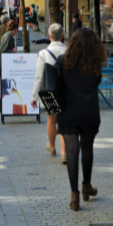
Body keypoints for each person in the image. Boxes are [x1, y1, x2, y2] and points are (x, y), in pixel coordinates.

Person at [57, 28, 106, 211]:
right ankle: (86, 184)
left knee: (71, 152)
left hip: (68, 111)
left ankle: (74, 195)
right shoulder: (95, 63)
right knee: (87, 148)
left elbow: (58, 84)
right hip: (89, 111)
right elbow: (97, 82)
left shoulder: (63, 61)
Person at [30, 23, 68, 163]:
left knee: (51, 119)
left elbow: (39, 77)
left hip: (49, 91)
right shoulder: (69, 51)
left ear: (50, 36)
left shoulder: (43, 53)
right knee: (63, 120)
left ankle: (52, 146)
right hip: (65, 91)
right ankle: (64, 152)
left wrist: (34, 97)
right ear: (62, 36)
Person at [0, 21, 19, 112]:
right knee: (6, 86)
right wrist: (13, 50)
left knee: (7, 86)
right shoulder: (8, 36)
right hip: (4, 65)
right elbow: (2, 50)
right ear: (15, 29)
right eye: (17, 30)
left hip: (5, 64)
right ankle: (0, 105)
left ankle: (2, 105)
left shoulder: (8, 35)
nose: (17, 32)